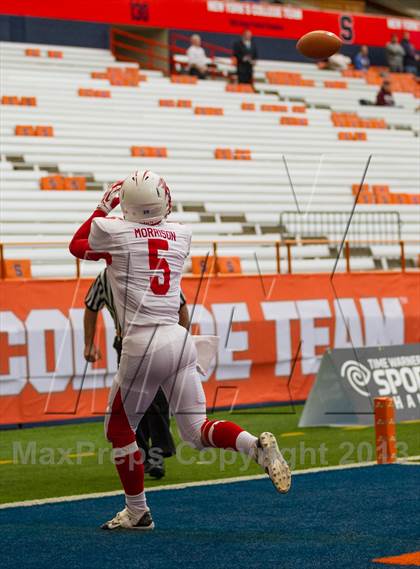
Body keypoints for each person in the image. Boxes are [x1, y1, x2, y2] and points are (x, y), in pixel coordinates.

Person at [69, 171, 291, 531]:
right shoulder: (181, 233)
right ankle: (254, 447)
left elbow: (77, 245)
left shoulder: (115, 230)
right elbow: (153, 226)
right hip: (179, 338)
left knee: (119, 431)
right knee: (195, 429)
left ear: (126, 204)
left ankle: (137, 511)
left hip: (142, 343)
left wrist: (102, 204)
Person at [84, 267, 189, 479]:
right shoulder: (107, 277)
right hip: (128, 343)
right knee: (132, 401)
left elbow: (181, 306)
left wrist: (181, 339)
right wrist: (89, 343)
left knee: (154, 399)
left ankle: (155, 453)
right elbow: (91, 305)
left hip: (158, 341)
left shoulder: (151, 269)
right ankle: (142, 454)